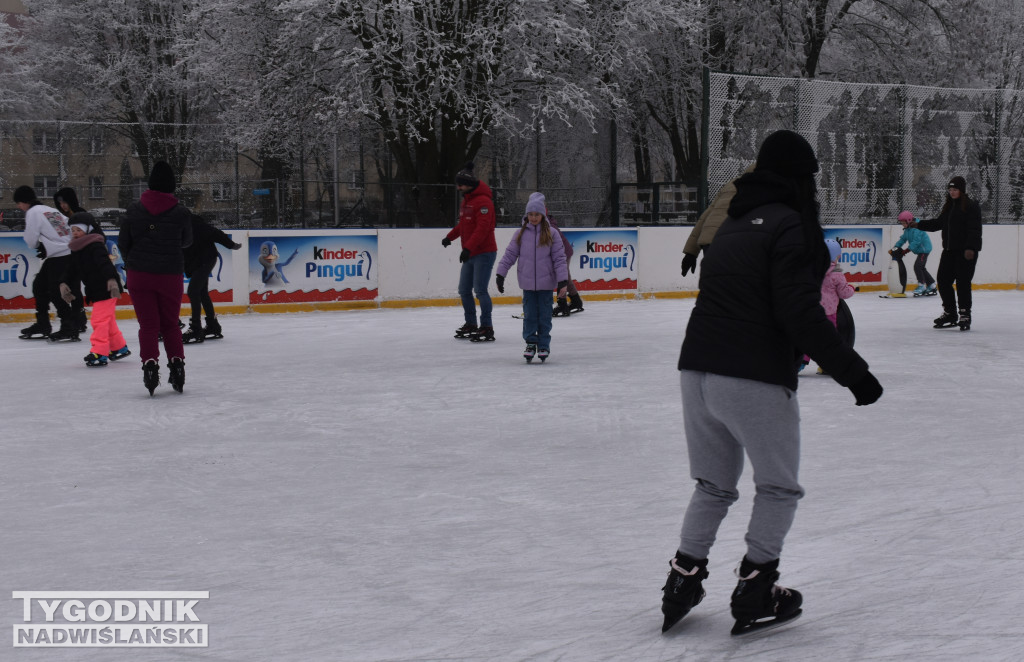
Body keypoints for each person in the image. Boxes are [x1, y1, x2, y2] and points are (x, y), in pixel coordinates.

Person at [663, 130, 883, 636]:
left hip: (696, 369)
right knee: (779, 487)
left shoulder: (733, 221)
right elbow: (798, 311)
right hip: (752, 373)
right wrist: (852, 371)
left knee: (713, 485)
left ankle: (682, 578)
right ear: (802, 179)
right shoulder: (792, 226)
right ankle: (757, 586)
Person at [118, 161, 193, 394]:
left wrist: (134, 261)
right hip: (170, 274)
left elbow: (123, 243)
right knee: (170, 324)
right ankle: (177, 365)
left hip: (139, 275)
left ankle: (150, 364)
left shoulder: (133, 209)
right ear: (172, 185)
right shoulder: (181, 212)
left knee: (148, 325)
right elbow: (187, 241)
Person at [494, 193, 568, 363]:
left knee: (544, 316)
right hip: (527, 284)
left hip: (546, 285)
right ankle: (530, 343)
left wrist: (562, 280)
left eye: (537, 214)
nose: (534, 218)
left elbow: (559, 258)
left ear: (542, 215)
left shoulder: (552, 234)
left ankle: (543, 345)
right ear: (526, 215)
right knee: (529, 316)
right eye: (531, 214)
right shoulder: (520, 234)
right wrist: (500, 274)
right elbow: (509, 255)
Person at [58, 212, 131, 367]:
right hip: (96, 289)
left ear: (88, 229)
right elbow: (71, 269)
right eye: (73, 230)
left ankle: (99, 352)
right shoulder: (77, 249)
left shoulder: (95, 245)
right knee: (108, 321)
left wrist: (112, 280)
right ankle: (119, 348)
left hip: (107, 288)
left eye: (79, 230)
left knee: (99, 321)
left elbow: (105, 263)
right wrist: (63, 282)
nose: (75, 233)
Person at [14, 185, 84, 341]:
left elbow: (30, 239)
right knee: (39, 285)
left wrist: (39, 246)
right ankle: (43, 323)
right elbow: (66, 227)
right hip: (66, 252)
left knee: (54, 291)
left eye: (18, 203)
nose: (19, 207)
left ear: (23, 201)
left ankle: (68, 326)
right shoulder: (48, 209)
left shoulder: (32, 212)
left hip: (60, 255)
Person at [910, 177, 981, 330]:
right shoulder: (949, 207)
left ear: (961, 190)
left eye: (955, 190)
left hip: (965, 252)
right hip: (949, 251)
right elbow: (938, 224)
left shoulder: (970, 206)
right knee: (943, 281)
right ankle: (950, 313)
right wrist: (919, 224)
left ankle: (964, 314)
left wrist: (970, 248)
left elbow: (974, 229)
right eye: (950, 190)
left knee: (962, 283)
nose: (952, 192)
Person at [442, 162, 498, 341]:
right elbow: (464, 225)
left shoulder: (484, 202)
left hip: (484, 252)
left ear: (470, 184)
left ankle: (487, 326)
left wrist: (467, 248)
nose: (458, 187)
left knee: (480, 290)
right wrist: (449, 237)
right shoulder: (467, 200)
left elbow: (482, 229)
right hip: (471, 253)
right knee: (464, 290)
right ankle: (471, 323)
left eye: (461, 184)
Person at [681, 163, 756, 276]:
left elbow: (705, 216)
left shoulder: (730, 184)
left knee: (715, 284)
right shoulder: (761, 186)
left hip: (709, 243)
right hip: (732, 243)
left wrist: (691, 252)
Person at [182, 213, 242, 343]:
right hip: (196, 262)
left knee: (193, 291)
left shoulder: (194, 224)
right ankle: (212, 326)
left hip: (206, 259)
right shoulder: (175, 225)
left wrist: (231, 245)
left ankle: (196, 328)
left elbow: (215, 233)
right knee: (201, 292)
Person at [803, 238, 856, 375]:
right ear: (837, 256)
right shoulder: (837, 274)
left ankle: (799, 362)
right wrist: (852, 288)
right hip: (829, 313)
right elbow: (844, 293)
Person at [54, 187, 89, 332]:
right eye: (60, 203)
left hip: (79, 255)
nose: (63, 205)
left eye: (65, 202)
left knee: (74, 287)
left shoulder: (81, 213)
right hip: (64, 255)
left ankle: (78, 318)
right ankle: (77, 318)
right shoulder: (58, 217)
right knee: (68, 286)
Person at [547, 212, 584, 316]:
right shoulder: (543, 223)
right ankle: (576, 301)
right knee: (566, 277)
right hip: (561, 252)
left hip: (563, 253)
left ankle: (562, 304)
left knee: (562, 277)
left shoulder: (549, 225)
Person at [892, 211, 935, 296]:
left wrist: (906, 250)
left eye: (904, 223)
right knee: (921, 267)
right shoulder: (907, 230)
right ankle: (932, 285)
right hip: (920, 250)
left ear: (909, 221)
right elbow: (903, 239)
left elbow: (916, 242)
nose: (903, 225)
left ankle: (921, 285)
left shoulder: (917, 228)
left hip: (924, 249)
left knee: (918, 266)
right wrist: (895, 247)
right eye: (901, 223)